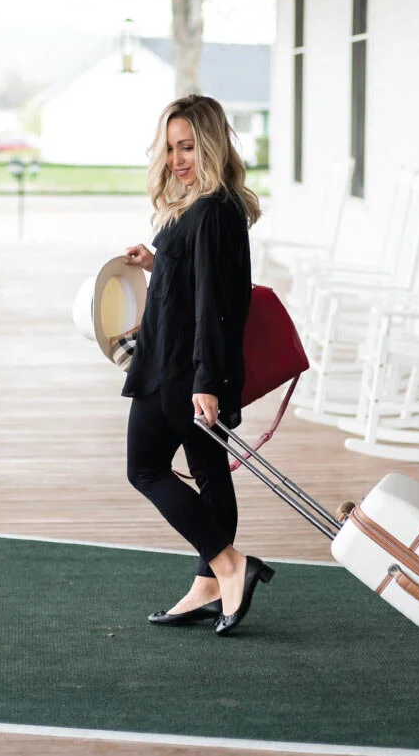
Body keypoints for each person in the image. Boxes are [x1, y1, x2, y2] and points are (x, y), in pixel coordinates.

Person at [121, 94, 271, 636]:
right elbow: (199, 284)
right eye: (170, 148)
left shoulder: (209, 211)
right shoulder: (210, 206)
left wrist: (205, 382)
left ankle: (230, 566)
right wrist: (158, 263)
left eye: (187, 147)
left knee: (145, 468)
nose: (176, 159)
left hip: (181, 370)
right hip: (187, 363)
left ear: (209, 145)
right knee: (209, 475)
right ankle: (209, 584)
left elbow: (214, 305)